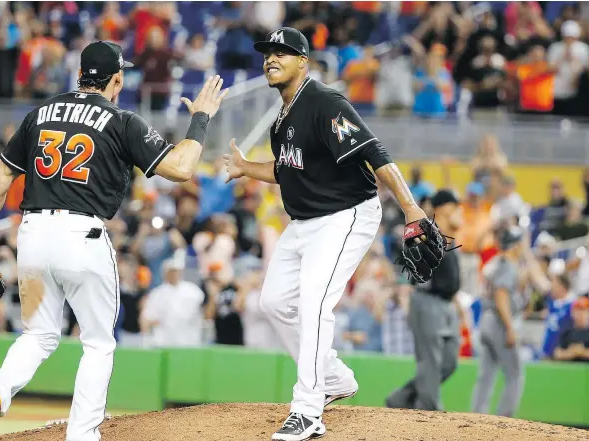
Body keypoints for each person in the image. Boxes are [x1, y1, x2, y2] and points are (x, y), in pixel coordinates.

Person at [0, 40, 229, 441]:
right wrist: (202, 118)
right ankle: (82, 435)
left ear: (80, 73)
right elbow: (182, 167)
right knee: (99, 343)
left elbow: (0, 180)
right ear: (116, 79)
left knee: (37, 333)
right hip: (82, 236)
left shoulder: (40, 114)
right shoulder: (122, 120)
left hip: (31, 235)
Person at [223, 27, 430, 441]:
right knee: (273, 301)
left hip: (346, 215)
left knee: (315, 300)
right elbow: (286, 170)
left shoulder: (323, 101)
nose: (272, 58)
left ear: (304, 61)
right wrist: (248, 167)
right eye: (268, 53)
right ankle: (333, 377)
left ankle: (308, 410)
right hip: (304, 223)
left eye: (282, 52)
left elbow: (374, 152)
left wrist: (411, 208)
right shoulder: (282, 121)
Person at [386, 189, 462, 411]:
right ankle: (428, 411)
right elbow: (412, 260)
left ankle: (401, 398)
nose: (461, 214)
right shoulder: (428, 233)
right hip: (427, 301)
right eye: (457, 208)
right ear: (445, 209)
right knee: (430, 362)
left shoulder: (449, 238)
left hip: (447, 305)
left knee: (448, 363)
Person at [470, 225, 529, 417]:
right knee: (515, 375)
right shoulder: (507, 265)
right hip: (499, 322)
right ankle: (505, 420)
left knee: (486, 374)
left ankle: (477, 417)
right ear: (514, 244)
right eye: (520, 243)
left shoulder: (494, 262)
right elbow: (501, 295)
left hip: (486, 320)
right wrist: (510, 327)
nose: (522, 246)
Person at [553, 297, 589, 363]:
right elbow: (557, 353)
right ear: (572, 313)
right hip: (570, 369)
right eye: (577, 311)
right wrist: (570, 352)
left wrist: (582, 352)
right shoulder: (567, 331)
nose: (580, 314)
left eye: (583, 311)